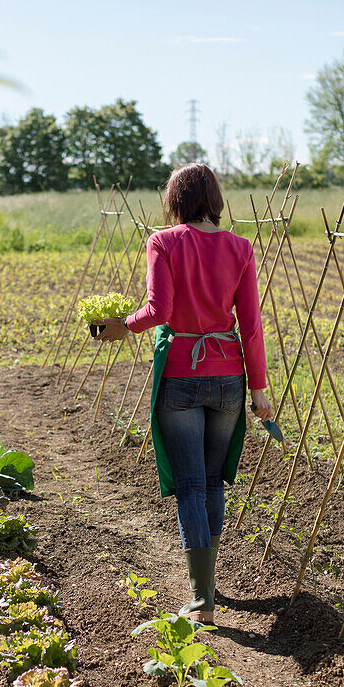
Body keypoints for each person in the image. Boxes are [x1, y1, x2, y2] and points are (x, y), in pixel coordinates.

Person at [93, 163, 272, 624]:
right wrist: (260, 390)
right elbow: (250, 328)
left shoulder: (164, 242)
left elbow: (160, 309)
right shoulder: (240, 247)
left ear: (175, 200)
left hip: (181, 376)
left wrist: (121, 327)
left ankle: (202, 597)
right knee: (213, 482)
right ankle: (208, 584)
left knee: (191, 484)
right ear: (214, 200)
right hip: (229, 376)